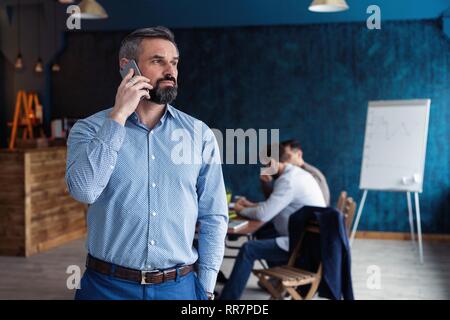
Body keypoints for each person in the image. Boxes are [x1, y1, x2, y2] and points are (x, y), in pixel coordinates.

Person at [65, 27, 228, 300]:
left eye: (174, 62)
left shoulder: (199, 135)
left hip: (179, 287)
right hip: (106, 287)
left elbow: (214, 215)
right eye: (157, 61)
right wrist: (117, 117)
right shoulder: (89, 129)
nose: (170, 71)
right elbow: (84, 191)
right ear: (127, 67)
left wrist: (207, 286)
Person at [219, 143, 326, 300]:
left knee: (249, 249)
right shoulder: (294, 175)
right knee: (264, 232)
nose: (265, 169)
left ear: (275, 162)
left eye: (267, 164)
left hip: (301, 246)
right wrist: (251, 205)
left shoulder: (288, 181)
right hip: (304, 239)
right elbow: (274, 205)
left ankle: (227, 301)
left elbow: (263, 214)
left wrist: (240, 210)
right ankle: (277, 282)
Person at [256, 139, 330, 240]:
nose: (284, 160)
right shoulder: (289, 175)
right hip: (297, 224)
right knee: (262, 229)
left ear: (299, 154)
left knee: (260, 232)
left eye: (288, 156)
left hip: (307, 230)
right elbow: (275, 204)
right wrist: (265, 184)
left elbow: (323, 207)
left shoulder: (302, 176)